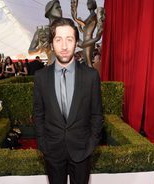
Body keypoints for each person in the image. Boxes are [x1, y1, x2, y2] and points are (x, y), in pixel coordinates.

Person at [33, 17, 103, 184]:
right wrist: (43, 144)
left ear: (76, 42)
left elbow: (97, 114)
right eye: (58, 40)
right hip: (52, 151)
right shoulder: (41, 77)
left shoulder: (91, 76)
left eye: (69, 39)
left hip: (82, 150)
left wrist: (91, 144)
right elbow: (38, 113)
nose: (64, 46)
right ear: (51, 44)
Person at [71, 0, 104, 67]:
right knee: (86, 61)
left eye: (90, 2)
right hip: (86, 40)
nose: (88, 4)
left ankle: (93, 75)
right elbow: (83, 30)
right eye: (87, 3)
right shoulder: (90, 16)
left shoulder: (93, 15)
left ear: (94, 4)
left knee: (88, 62)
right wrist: (79, 26)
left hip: (89, 40)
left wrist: (75, 17)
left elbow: (84, 24)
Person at [28, 0, 62, 65]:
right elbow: (31, 51)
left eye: (60, 8)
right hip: (52, 67)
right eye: (57, 8)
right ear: (49, 12)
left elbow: (81, 44)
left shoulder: (66, 29)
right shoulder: (41, 32)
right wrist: (41, 48)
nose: (60, 10)